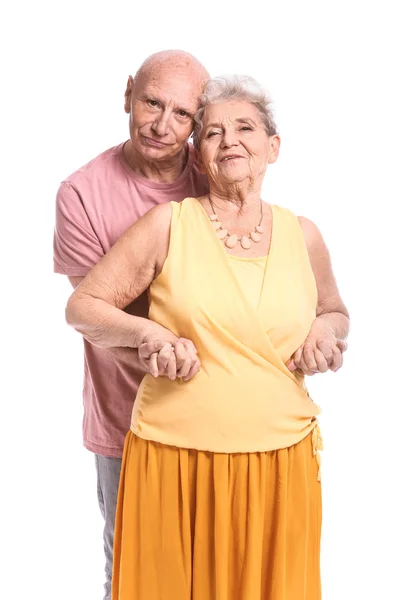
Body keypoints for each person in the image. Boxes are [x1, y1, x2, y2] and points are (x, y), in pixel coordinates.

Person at [65, 75, 349, 600]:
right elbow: (84, 305)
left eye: (245, 128)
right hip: (175, 458)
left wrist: (325, 331)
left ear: (273, 147)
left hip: (280, 459)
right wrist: (146, 331)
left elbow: (334, 311)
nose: (230, 141)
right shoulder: (168, 224)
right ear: (199, 154)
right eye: (213, 133)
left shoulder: (303, 234)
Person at [53, 50, 209, 600]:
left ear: (198, 121)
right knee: (133, 574)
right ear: (128, 95)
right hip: (127, 421)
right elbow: (94, 317)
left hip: (215, 419)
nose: (163, 125)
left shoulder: (214, 177)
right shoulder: (82, 193)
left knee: (211, 572)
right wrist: (159, 349)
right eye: (152, 102)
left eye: (183, 113)